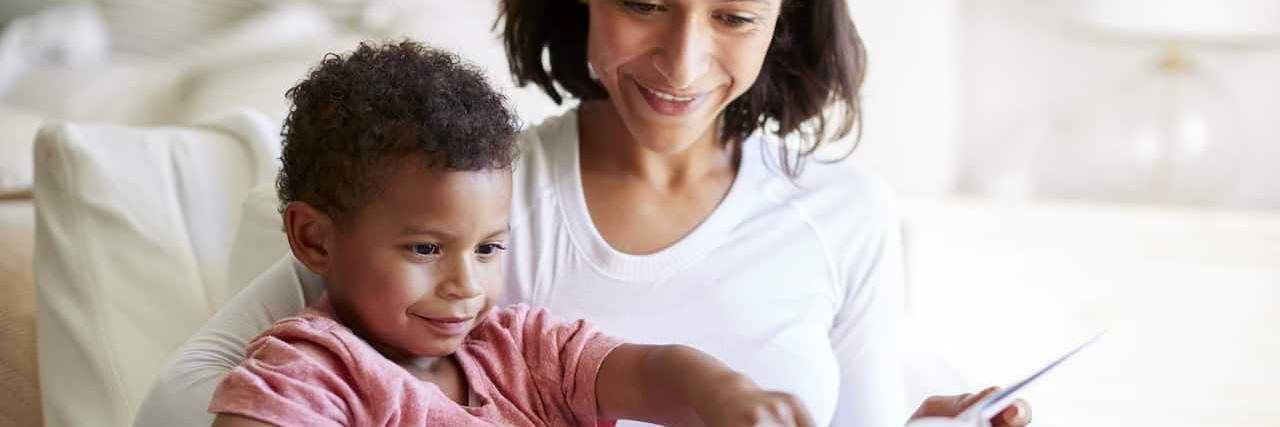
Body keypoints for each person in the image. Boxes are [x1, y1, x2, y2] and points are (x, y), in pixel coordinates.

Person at [135, 1, 1033, 426]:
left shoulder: (844, 213)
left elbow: (663, 375)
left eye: (732, 15)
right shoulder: (465, 189)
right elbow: (179, 400)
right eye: (645, 1)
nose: (682, 63)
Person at [209, 40, 816, 427]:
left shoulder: (519, 349)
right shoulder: (311, 372)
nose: (465, 285)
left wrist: (727, 398)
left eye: (487, 248)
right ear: (314, 239)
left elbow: (646, 371)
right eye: (426, 248)